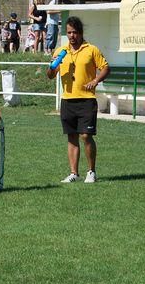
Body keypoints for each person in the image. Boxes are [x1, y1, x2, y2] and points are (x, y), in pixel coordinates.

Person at [46, 16, 110, 183]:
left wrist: (95, 81)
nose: (72, 36)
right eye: (69, 32)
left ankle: (91, 172)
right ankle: (73, 173)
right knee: (72, 137)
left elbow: (105, 68)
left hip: (86, 100)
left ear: (80, 33)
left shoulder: (91, 49)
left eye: (74, 32)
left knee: (86, 135)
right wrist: (51, 66)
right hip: (67, 100)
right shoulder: (61, 51)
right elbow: (50, 75)